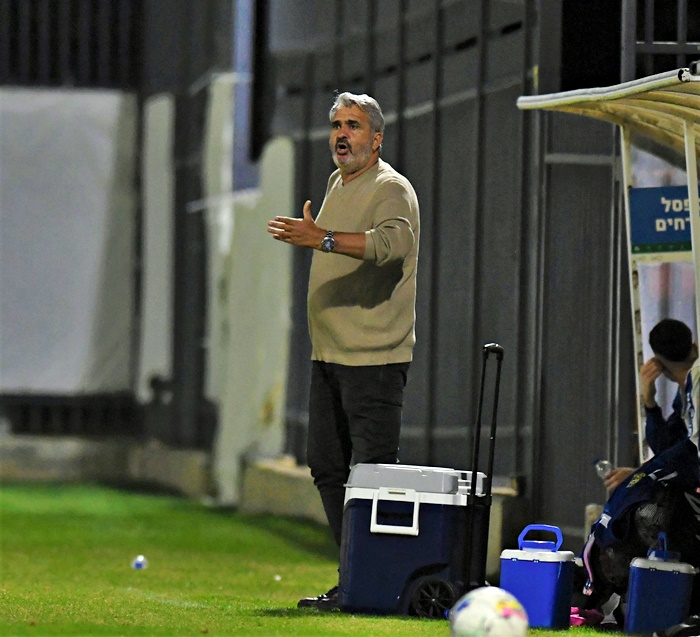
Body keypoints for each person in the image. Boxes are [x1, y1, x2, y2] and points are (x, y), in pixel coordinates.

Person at [267, 92, 420, 610]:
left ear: (376, 139)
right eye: (336, 124)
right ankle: (356, 577)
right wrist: (320, 238)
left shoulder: (391, 188)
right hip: (330, 357)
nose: (341, 134)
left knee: (372, 476)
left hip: (374, 359)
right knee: (327, 467)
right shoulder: (338, 182)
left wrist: (323, 239)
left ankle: (381, 584)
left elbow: (391, 245)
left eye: (352, 125)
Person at [578, 318, 700, 619]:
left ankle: (603, 590)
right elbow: (671, 448)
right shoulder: (684, 394)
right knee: (641, 493)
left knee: (640, 501)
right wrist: (649, 401)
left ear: (656, 363)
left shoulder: (696, 380)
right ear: (694, 347)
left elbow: (685, 454)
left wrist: (641, 473)